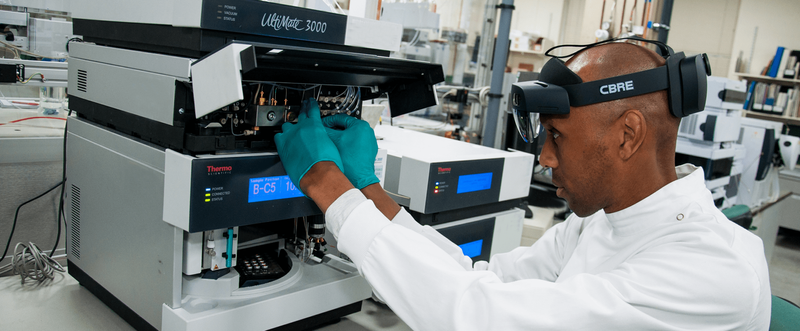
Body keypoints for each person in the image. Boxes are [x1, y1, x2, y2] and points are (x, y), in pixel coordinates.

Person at [274, 42, 771, 330]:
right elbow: (477, 276)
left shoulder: (712, 274)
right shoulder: (597, 223)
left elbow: (480, 316)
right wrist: (367, 189)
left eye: (557, 136)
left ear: (628, 135)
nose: (546, 157)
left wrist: (326, 184)